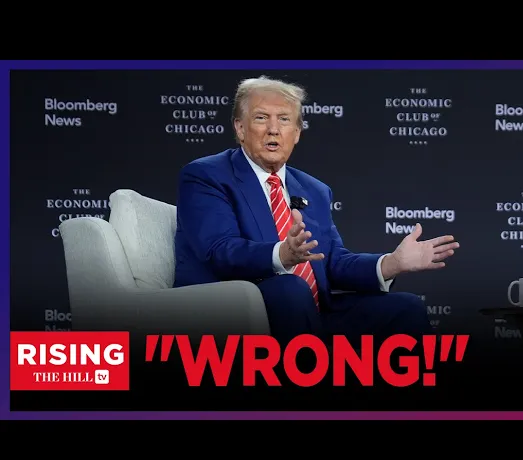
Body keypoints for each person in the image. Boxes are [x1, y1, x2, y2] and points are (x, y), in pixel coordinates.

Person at [174, 76, 460, 346]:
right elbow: (220, 250)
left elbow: (333, 261)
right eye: (261, 118)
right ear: (239, 128)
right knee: (290, 288)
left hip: (312, 310)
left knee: (406, 308)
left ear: (297, 133)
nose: (273, 129)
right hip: (241, 306)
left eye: (284, 119)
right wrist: (281, 255)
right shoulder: (207, 176)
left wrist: (391, 264)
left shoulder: (314, 190)